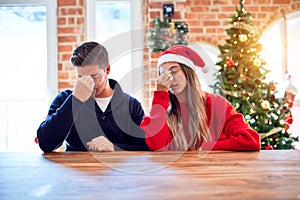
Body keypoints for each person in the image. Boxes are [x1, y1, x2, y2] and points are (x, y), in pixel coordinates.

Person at [140, 45, 261, 151]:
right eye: (163, 73)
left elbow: (250, 140)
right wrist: (160, 95)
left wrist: (204, 148)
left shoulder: (216, 104)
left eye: (174, 71)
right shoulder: (163, 109)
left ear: (188, 73)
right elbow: (156, 145)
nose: (169, 78)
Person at [36, 41, 149, 152]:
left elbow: (143, 146)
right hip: (75, 170)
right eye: (81, 77)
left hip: (117, 170)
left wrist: (115, 148)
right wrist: (75, 100)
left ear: (107, 70)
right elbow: (46, 144)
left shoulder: (131, 105)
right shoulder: (64, 99)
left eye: (94, 76)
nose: (87, 83)